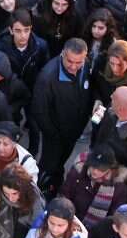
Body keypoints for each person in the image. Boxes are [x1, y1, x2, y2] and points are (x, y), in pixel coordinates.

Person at [32, 39, 91, 194]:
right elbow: (39, 110)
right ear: (63, 54)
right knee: (49, 165)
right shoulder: (47, 78)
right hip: (55, 133)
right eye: (70, 61)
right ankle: (42, 190)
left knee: (62, 160)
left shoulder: (86, 67)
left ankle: (57, 182)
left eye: (78, 62)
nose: (73, 66)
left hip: (74, 130)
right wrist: (53, 134)